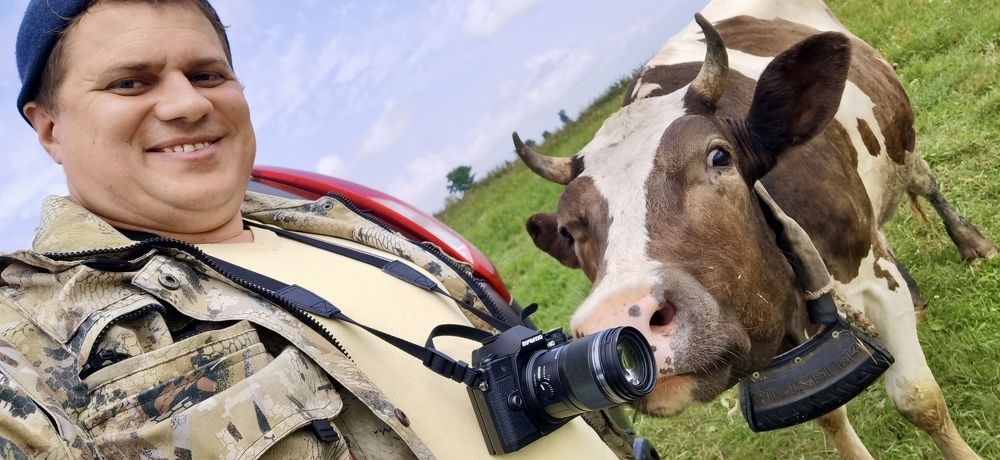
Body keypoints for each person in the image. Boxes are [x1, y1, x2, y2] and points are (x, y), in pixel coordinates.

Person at [2, 1, 633, 458]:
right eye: (129, 82)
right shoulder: (26, 343)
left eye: (207, 74)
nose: (188, 103)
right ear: (50, 126)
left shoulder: (341, 219)